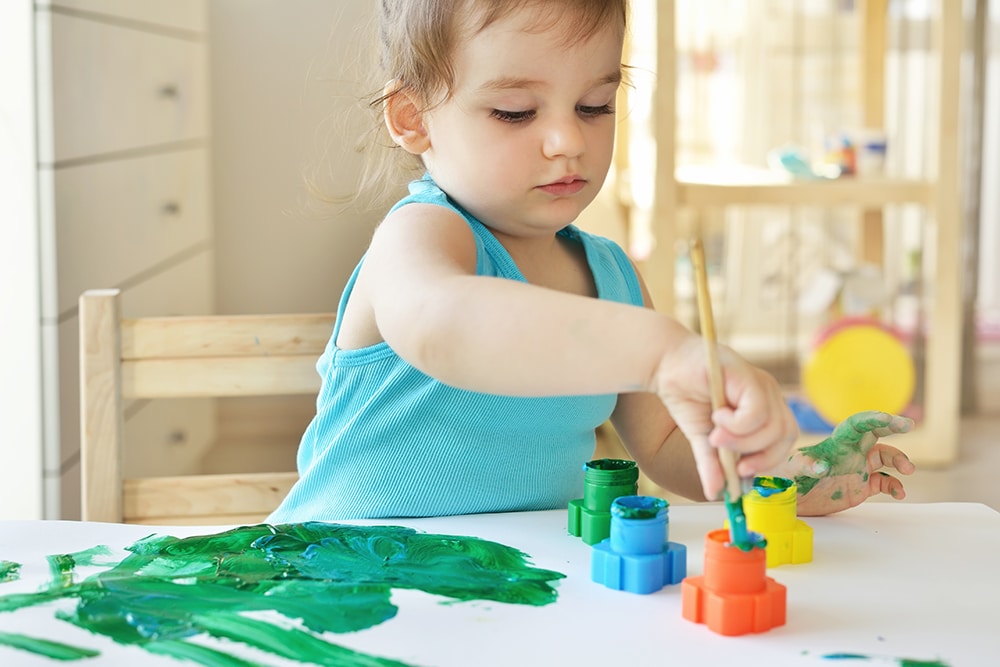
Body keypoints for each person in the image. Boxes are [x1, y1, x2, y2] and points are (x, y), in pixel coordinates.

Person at [267, 0, 914, 523]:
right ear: (413, 120)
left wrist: (782, 474)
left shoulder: (612, 279)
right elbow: (442, 323)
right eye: (515, 111)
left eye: (594, 105)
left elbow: (667, 448)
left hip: (510, 591)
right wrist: (662, 350)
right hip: (341, 582)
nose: (569, 140)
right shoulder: (421, 237)